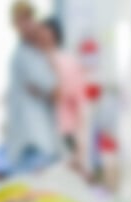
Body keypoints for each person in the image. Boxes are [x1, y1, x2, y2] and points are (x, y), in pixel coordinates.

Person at [5, 2, 60, 171]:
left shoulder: (33, 54)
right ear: (14, 24)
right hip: (32, 142)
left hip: (36, 142)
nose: (28, 25)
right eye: (22, 20)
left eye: (30, 19)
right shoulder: (25, 56)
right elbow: (55, 91)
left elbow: (54, 92)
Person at [41, 17, 90, 172]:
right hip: (47, 132)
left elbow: (79, 100)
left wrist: (81, 139)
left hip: (64, 130)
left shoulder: (67, 62)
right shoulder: (36, 59)